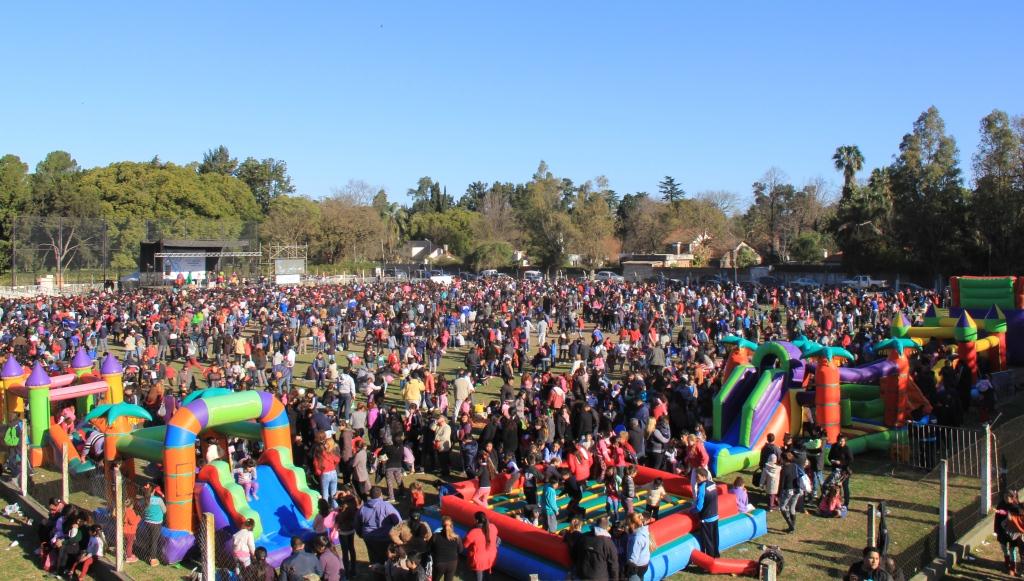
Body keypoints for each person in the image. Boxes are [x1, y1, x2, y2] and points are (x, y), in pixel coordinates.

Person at [356, 486, 402, 565]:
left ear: (370, 496)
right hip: (385, 538)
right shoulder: (387, 507)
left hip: (369, 538)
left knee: (373, 558)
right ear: (381, 495)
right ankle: (386, 572)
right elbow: (398, 521)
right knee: (387, 558)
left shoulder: (363, 508)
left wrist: (361, 534)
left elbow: (357, 524)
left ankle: (376, 572)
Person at [575, 515, 619, 581]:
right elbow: (614, 565)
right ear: (607, 528)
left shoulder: (584, 537)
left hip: (583, 575)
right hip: (600, 577)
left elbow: (575, 553)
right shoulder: (608, 543)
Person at [463, 511, 499, 581]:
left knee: (479, 578)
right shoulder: (493, 527)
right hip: (491, 557)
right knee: (488, 575)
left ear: (476, 520)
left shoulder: (474, 532)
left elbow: (465, 545)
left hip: (479, 561)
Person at [692, 468, 720, 558]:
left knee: (708, 541)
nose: (696, 478)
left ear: (704, 476)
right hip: (715, 516)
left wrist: (691, 511)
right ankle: (716, 555)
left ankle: (710, 560)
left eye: (697, 476)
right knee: (715, 538)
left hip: (706, 518)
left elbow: (699, 507)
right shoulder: (713, 484)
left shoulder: (701, 489)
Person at [141, 482, 166, 566]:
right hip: (156, 523)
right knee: (154, 540)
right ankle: (153, 558)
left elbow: (142, 510)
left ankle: (149, 554)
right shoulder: (158, 500)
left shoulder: (143, 500)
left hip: (147, 522)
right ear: (153, 491)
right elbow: (164, 510)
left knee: (150, 538)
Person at [430, 516, 462, 581]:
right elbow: (460, 550)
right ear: (452, 525)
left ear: (442, 525)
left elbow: (429, 548)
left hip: (439, 563)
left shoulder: (435, 536)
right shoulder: (457, 537)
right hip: (452, 563)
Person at [779, 452, 802, 534]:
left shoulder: (784, 469)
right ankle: (792, 526)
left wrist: (778, 494)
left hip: (788, 490)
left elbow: (781, 483)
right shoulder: (794, 466)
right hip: (797, 489)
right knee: (792, 507)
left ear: (783, 459)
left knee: (782, 507)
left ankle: (791, 526)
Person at [829, 435, 854, 507]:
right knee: (835, 486)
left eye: (842, 441)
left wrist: (841, 463)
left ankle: (846, 503)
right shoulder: (834, 446)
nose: (841, 443)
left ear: (845, 441)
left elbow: (851, 460)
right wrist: (832, 461)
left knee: (845, 486)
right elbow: (830, 456)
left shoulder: (847, 449)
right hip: (835, 469)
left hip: (844, 470)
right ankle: (836, 501)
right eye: (839, 441)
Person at [625, 512, 651, 581]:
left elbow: (633, 558)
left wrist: (628, 569)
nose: (627, 526)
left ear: (632, 524)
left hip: (636, 567)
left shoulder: (637, 538)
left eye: (627, 524)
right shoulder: (643, 530)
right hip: (644, 564)